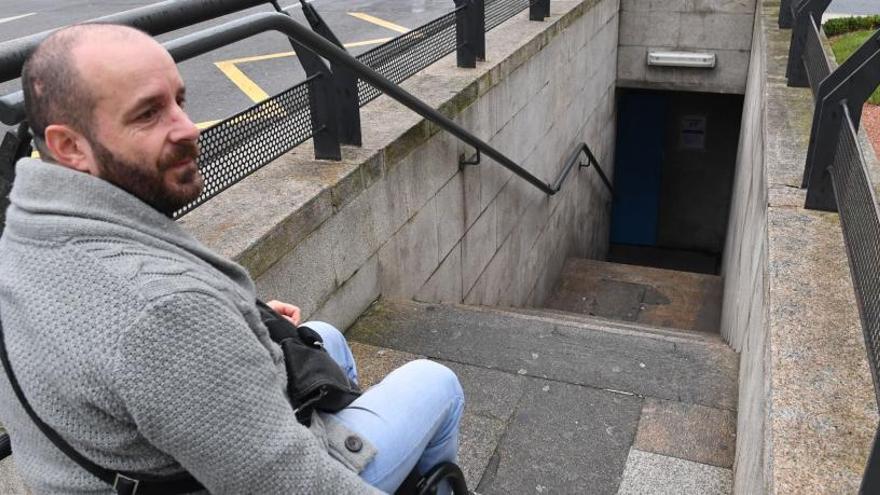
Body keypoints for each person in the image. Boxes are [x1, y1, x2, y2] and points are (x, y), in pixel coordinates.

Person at [0, 23, 464, 494]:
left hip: (97, 464)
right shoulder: (164, 312)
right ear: (69, 146)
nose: (186, 128)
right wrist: (211, 329)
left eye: (179, 101)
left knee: (322, 340)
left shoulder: (26, 233)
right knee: (435, 382)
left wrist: (238, 324)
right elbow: (288, 484)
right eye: (147, 114)